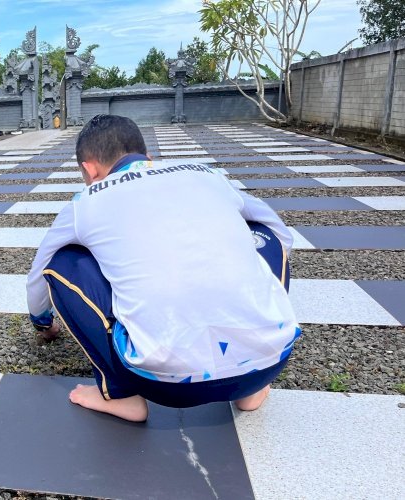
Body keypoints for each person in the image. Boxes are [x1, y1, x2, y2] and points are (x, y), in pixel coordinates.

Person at [26, 114, 300, 422]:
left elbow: (39, 273)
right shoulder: (207, 175)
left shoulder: (86, 201)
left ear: (89, 170)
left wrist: (43, 323)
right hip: (270, 361)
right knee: (266, 238)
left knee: (63, 259)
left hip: (163, 385)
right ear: (149, 158)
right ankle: (253, 379)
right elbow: (281, 234)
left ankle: (120, 394)